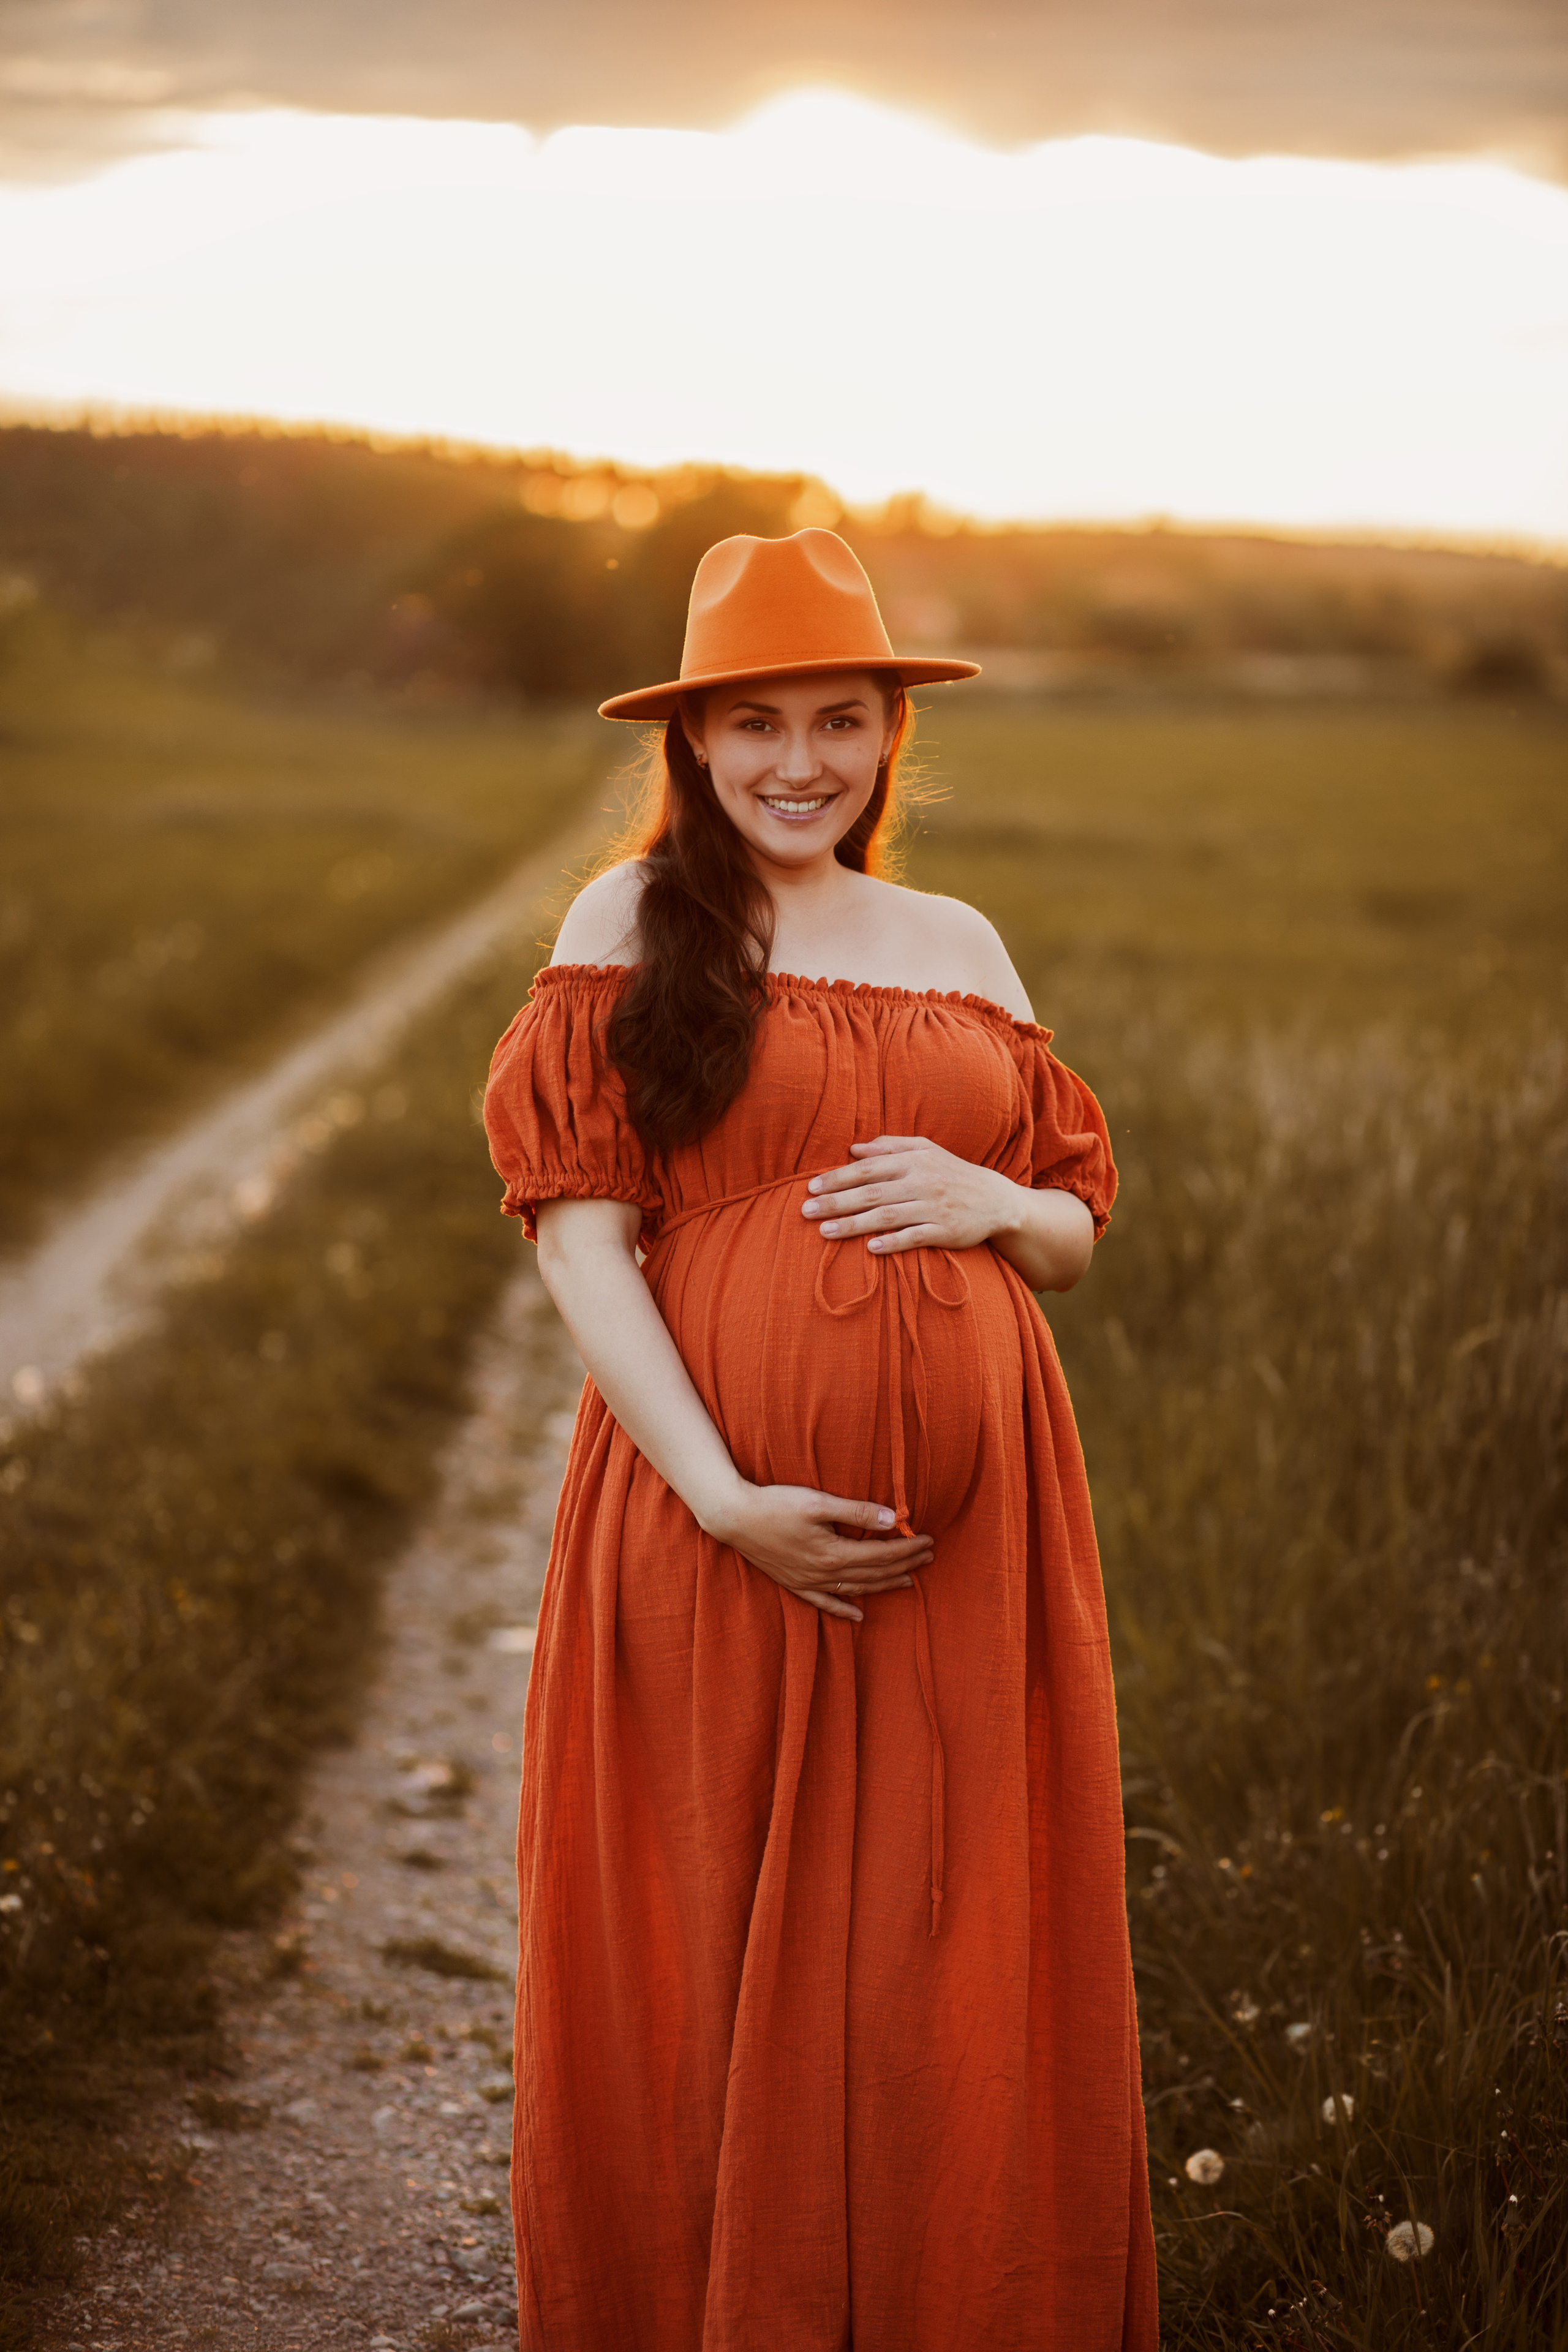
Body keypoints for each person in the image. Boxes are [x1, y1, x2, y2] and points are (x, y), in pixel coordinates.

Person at [484, 527, 1157, 2351]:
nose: (801, 761)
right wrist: (724, 1497)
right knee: (708, 1928)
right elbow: (579, 1234)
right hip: (712, 1523)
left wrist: (988, 1193)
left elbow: (1077, 1231)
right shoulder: (628, 927)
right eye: (757, 724)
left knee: (941, 1944)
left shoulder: (961, 946)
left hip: (979, 1547)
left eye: (839, 721)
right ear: (694, 743)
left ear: (887, 737)